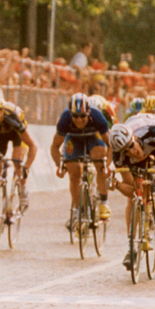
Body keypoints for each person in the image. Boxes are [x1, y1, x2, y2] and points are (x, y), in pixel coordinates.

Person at [107, 113, 155, 269]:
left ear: (134, 138)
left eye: (131, 146)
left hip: (153, 142)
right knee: (135, 197)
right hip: (136, 158)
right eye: (125, 151)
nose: (131, 152)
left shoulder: (153, 133)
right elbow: (132, 190)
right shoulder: (120, 156)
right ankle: (131, 247)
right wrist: (119, 186)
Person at [50, 93, 111, 230]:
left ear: (88, 113)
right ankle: (78, 210)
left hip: (94, 137)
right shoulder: (65, 119)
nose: (78, 120)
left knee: (100, 160)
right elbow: (54, 147)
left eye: (82, 116)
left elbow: (110, 144)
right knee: (73, 172)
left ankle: (103, 201)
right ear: (71, 114)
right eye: (75, 116)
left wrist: (107, 165)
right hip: (74, 139)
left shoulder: (97, 117)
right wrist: (60, 165)